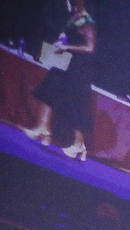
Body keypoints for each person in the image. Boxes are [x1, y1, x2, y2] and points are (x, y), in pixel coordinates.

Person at [23, 0, 96, 159]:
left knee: (74, 105)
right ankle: (43, 127)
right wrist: (61, 43)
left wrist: (67, 47)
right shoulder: (74, 17)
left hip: (79, 69)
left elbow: (90, 47)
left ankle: (78, 144)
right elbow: (70, 38)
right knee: (50, 86)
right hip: (67, 64)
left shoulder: (86, 19)